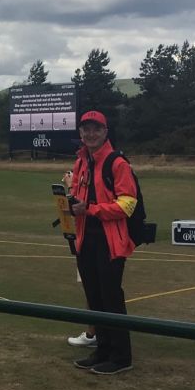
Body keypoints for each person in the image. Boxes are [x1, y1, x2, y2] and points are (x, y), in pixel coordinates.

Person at [68, 110, 137, 375]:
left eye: (96, 129)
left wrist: (92, 210)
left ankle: (121, 356)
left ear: (105, 132)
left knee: (111, 298)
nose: (90, 134)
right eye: (86, 129)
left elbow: (127, 204)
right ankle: (103, 350)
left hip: (110, 240)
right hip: (86, 237)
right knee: (94, 297)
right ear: (81, 133)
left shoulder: (117, 163)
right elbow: (77, 193)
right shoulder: (81, 162)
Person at [62, 169, 96, 349]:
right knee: (92, 288)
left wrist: (70, 188)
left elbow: (82, 205)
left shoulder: (100, 167)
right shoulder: (85, 164)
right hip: (84, 235)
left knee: (93, 289)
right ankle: (97, 333)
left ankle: (93, 334)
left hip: (93, 237)